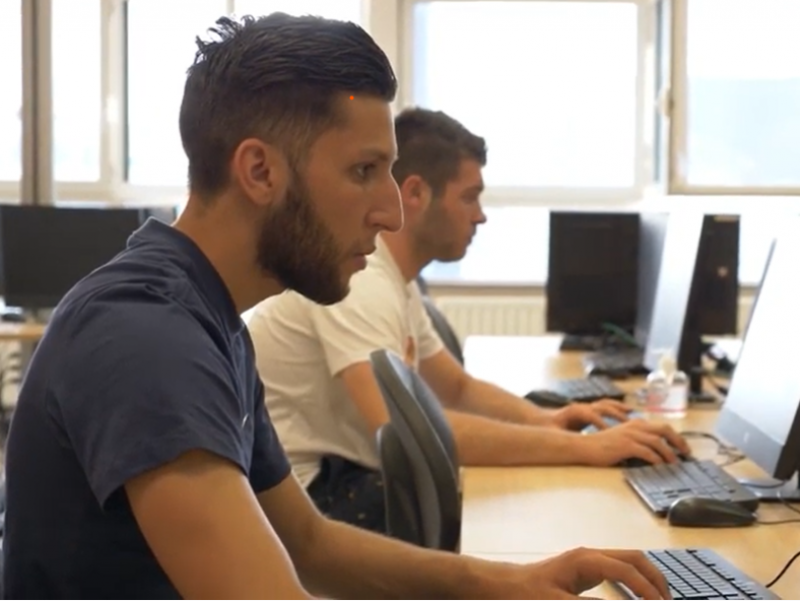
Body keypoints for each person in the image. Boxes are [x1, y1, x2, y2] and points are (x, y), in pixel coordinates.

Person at [2, 13, 671, 600]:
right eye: (362, 171)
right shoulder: (146, 337)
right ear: (260, 171)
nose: (388, 211)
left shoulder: (210, 322)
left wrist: (503, 580)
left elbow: (309, 544)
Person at [247, 107, 691, 534]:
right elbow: (410, 437)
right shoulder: (361, 284)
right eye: (470, 196)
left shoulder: (392, 278)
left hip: (342, 478)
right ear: (416, 194)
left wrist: (545, 421)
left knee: (528, 504)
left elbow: (457, 388)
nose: (480, 214)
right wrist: (583, 447)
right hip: (308, 502)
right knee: (515, 519)